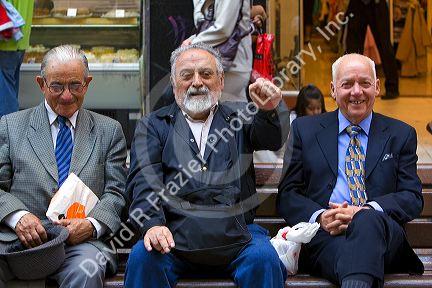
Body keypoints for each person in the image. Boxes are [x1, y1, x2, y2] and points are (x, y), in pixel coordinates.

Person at [125, 42, 290, 288]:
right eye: (186, 75)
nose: (197, 82)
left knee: (263, 259)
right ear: (173, 84)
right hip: (173, 236)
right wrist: (153, 224)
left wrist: (268, 111)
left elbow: (271, 138)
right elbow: (143, 181)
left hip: (239, 236)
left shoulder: (240, 118)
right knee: (143, 258)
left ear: (221, 81)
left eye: (206, 74)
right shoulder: (153, 126)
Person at [277, 54, 424, 288]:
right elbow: (287, 195)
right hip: (326, 238)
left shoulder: (401, 134)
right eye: (347, 84)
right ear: (333, 90)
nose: (356, 92)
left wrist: (365, 212)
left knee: (367, 221)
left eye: (365, 83)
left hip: (385, 237)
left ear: (376, 87)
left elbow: (412, 197)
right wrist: (321, 217)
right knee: (352, 255)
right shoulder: (304, 130)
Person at [0, 45, 128, 287]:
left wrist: (91, 225)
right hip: (16, 241)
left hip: (79, 246)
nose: (67, 95)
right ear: (41, 84)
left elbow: (116, 193)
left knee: (86, 270)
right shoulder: (10, 126)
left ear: (87, 83)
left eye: (75, 86)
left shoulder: (109, 131)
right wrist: (17, 216)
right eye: (57, 86)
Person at [183, 0, 252, 103]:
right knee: (232, 108)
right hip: (217, 60)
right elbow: (202, 21)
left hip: (231, 61)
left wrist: (193, 43)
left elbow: (223, 29)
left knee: (228, 108)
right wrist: (193, 40)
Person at [345, 0, 399, 100]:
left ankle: (392, 87)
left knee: (384, 45)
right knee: (352, 47)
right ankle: (348, 85)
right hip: (357, 4)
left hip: (377, 4)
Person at [0, 0, 34, 117]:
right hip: (21, 39)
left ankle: (9, 132)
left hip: (5, 40)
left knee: (5, 97)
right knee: (11, 92)